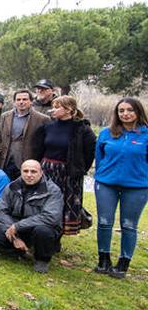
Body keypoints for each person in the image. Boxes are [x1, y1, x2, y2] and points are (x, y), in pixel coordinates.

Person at [93, 97, 148, 279]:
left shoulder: (145, 134)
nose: (125, 114)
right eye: (121, 111)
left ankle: (123, 263)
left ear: (138, 111)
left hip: (136, 187)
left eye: (129, 110)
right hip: (106, 184)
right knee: (104, 222)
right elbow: (99, 158)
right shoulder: (106, 133)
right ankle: (104, 259)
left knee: (129, 225)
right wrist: (102, 175)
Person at [0, 160, 64, 273]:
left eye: (33, 171)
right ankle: (19, 250)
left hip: (41, 227)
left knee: (43, 232)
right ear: (21, 172)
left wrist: (17, 226)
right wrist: (15, 237)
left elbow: (50, 217)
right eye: (25, 171)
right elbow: (1, 210)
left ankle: (42, 259)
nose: (29, 175)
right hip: (16, 226)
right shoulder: (12, 187)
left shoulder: (53, 190)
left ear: (41, 172)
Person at [32, 96, 96, 235]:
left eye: (57, 107)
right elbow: (38, 148)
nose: (52, 110)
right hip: (47, 170)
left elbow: (89, 153)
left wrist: (78, 170)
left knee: (64, 205)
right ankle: (42, 234)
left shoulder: (82, 129)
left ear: (69, 109)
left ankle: (58, 235)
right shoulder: (48, 126)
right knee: (44, 202)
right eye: (53, 106)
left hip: (68, 173)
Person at [0, 89, 50, 180]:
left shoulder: (42, 119)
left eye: (24, 99)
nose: (21, 102)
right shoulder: (5, 117)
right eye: (18, 99)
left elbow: (45, 144)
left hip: (28, 163)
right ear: (14, 102)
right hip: (6, 161)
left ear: (31, 101)